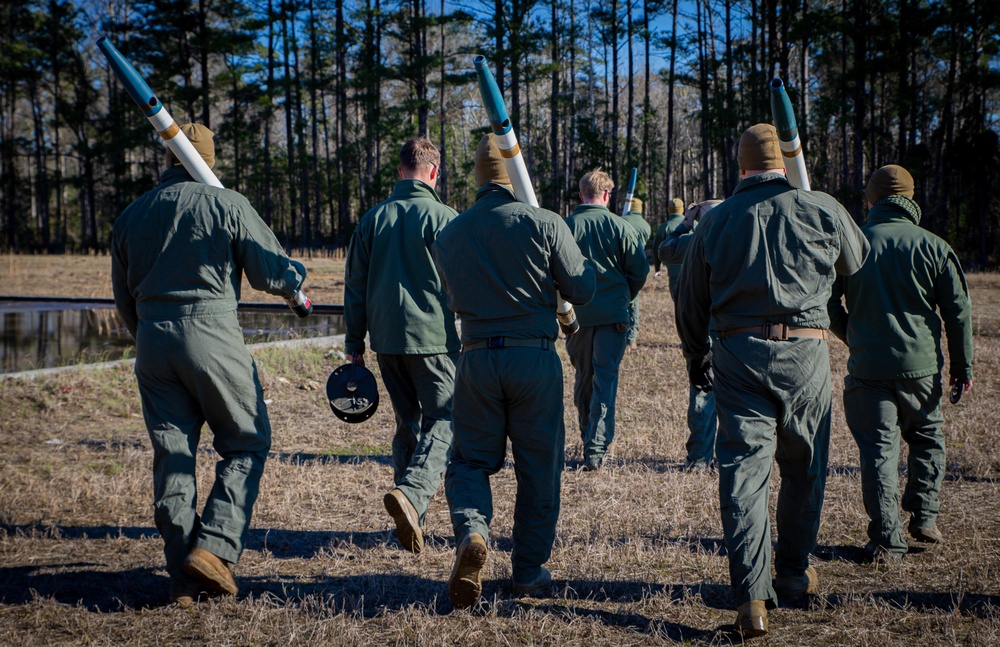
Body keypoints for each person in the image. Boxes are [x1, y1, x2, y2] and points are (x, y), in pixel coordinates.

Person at [675, 123, 869, 637]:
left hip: (737, 355)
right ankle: (793, 574)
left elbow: (690, 299)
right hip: (807, 353)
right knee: (806, 469)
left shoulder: (715, 223)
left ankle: (752, 599)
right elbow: (857, 260)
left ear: (740, 168)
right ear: (783, 164)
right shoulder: (821, 206)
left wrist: (698, 357)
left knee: (743, 477)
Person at [110, 123, 310, 607]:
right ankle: (215, 547)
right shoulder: (227, 203)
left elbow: (122, 300)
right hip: (212, 334)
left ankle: (183, 573)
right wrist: (295, 282)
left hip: (153, 344)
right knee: (246, 442)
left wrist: (152, 341)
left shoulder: (131, 215)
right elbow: (269, 271)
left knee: (172, 457)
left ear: (169, 159)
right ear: (208, 160)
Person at [432, 134, 596, 609]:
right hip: (533, 358)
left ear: (478, 178)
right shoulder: (544, 223)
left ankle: (473, 530)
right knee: (539, 467)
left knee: (468, 461)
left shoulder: (450, 233)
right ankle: (527, 571)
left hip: (477, 357)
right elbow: (581, 289)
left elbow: (452, 296)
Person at [828, 164, 973, 563]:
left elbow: (827, 302)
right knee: (927, 439)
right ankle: (925, 516)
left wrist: (851, 336)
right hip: (922, 370)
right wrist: (963, 368)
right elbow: (958, 313)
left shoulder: (852, 243)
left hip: (868, 369)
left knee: (878, 453)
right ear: (911, 199)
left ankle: (887, 541)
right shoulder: (934, 246)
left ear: (871, 200)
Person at [344, 136, 460, 555]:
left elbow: (354, 284)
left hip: (386, 341)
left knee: (407, 424)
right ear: (433, 172)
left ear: (399, 171)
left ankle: (413, 523)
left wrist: (354, 341)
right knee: (446, 419)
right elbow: (460, 282)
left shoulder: (373, 219)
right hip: (433, 339)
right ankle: (411, 495)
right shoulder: (447, 218)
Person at [564, 170, 649, 471]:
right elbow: (639, 269)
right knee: (605, 381)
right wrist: (623, 296)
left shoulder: (565, 226)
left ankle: (588, 437)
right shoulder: (620, 226)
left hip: (577, 317)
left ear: (580, 194)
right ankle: (596, 448)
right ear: (607, 195)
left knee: (582, 380)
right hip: (613, 317)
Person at [657, 199, 722, 470]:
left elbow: (664, 250)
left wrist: (685, 224)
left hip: (703, 328)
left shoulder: (694, 240)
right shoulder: (740, 236)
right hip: (738, 327)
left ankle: (699, 457)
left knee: (703, 392)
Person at [621, 197, 652, 348]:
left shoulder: (620, 221)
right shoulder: (645, 226)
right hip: (637, 266)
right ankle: (631, 337)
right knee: (634, 303)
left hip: (620, 266)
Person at [650, 198, 686, 280]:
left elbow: (657, 249)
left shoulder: (664, 227)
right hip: (694, 270)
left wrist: (658, 268)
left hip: (674, 273)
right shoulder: (694, 224)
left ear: (669, 210)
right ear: (682, 209)